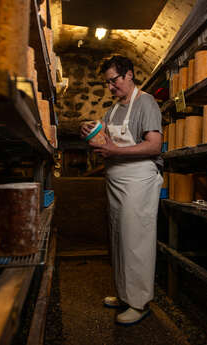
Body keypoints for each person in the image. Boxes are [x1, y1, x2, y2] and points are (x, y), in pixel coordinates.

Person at [80, 55, 163, 325]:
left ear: (128, 75)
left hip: (138, 179)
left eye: (113, 80)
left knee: (136, 240)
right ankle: (125, 294)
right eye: (107, 83)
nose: (110, 87)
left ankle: (139, 304)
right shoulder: (114, 110)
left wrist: (116, 150)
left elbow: (154, 146)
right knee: (119, 238)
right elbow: (103, 136)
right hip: (116, 180)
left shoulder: (146, 102)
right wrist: (91, 129)